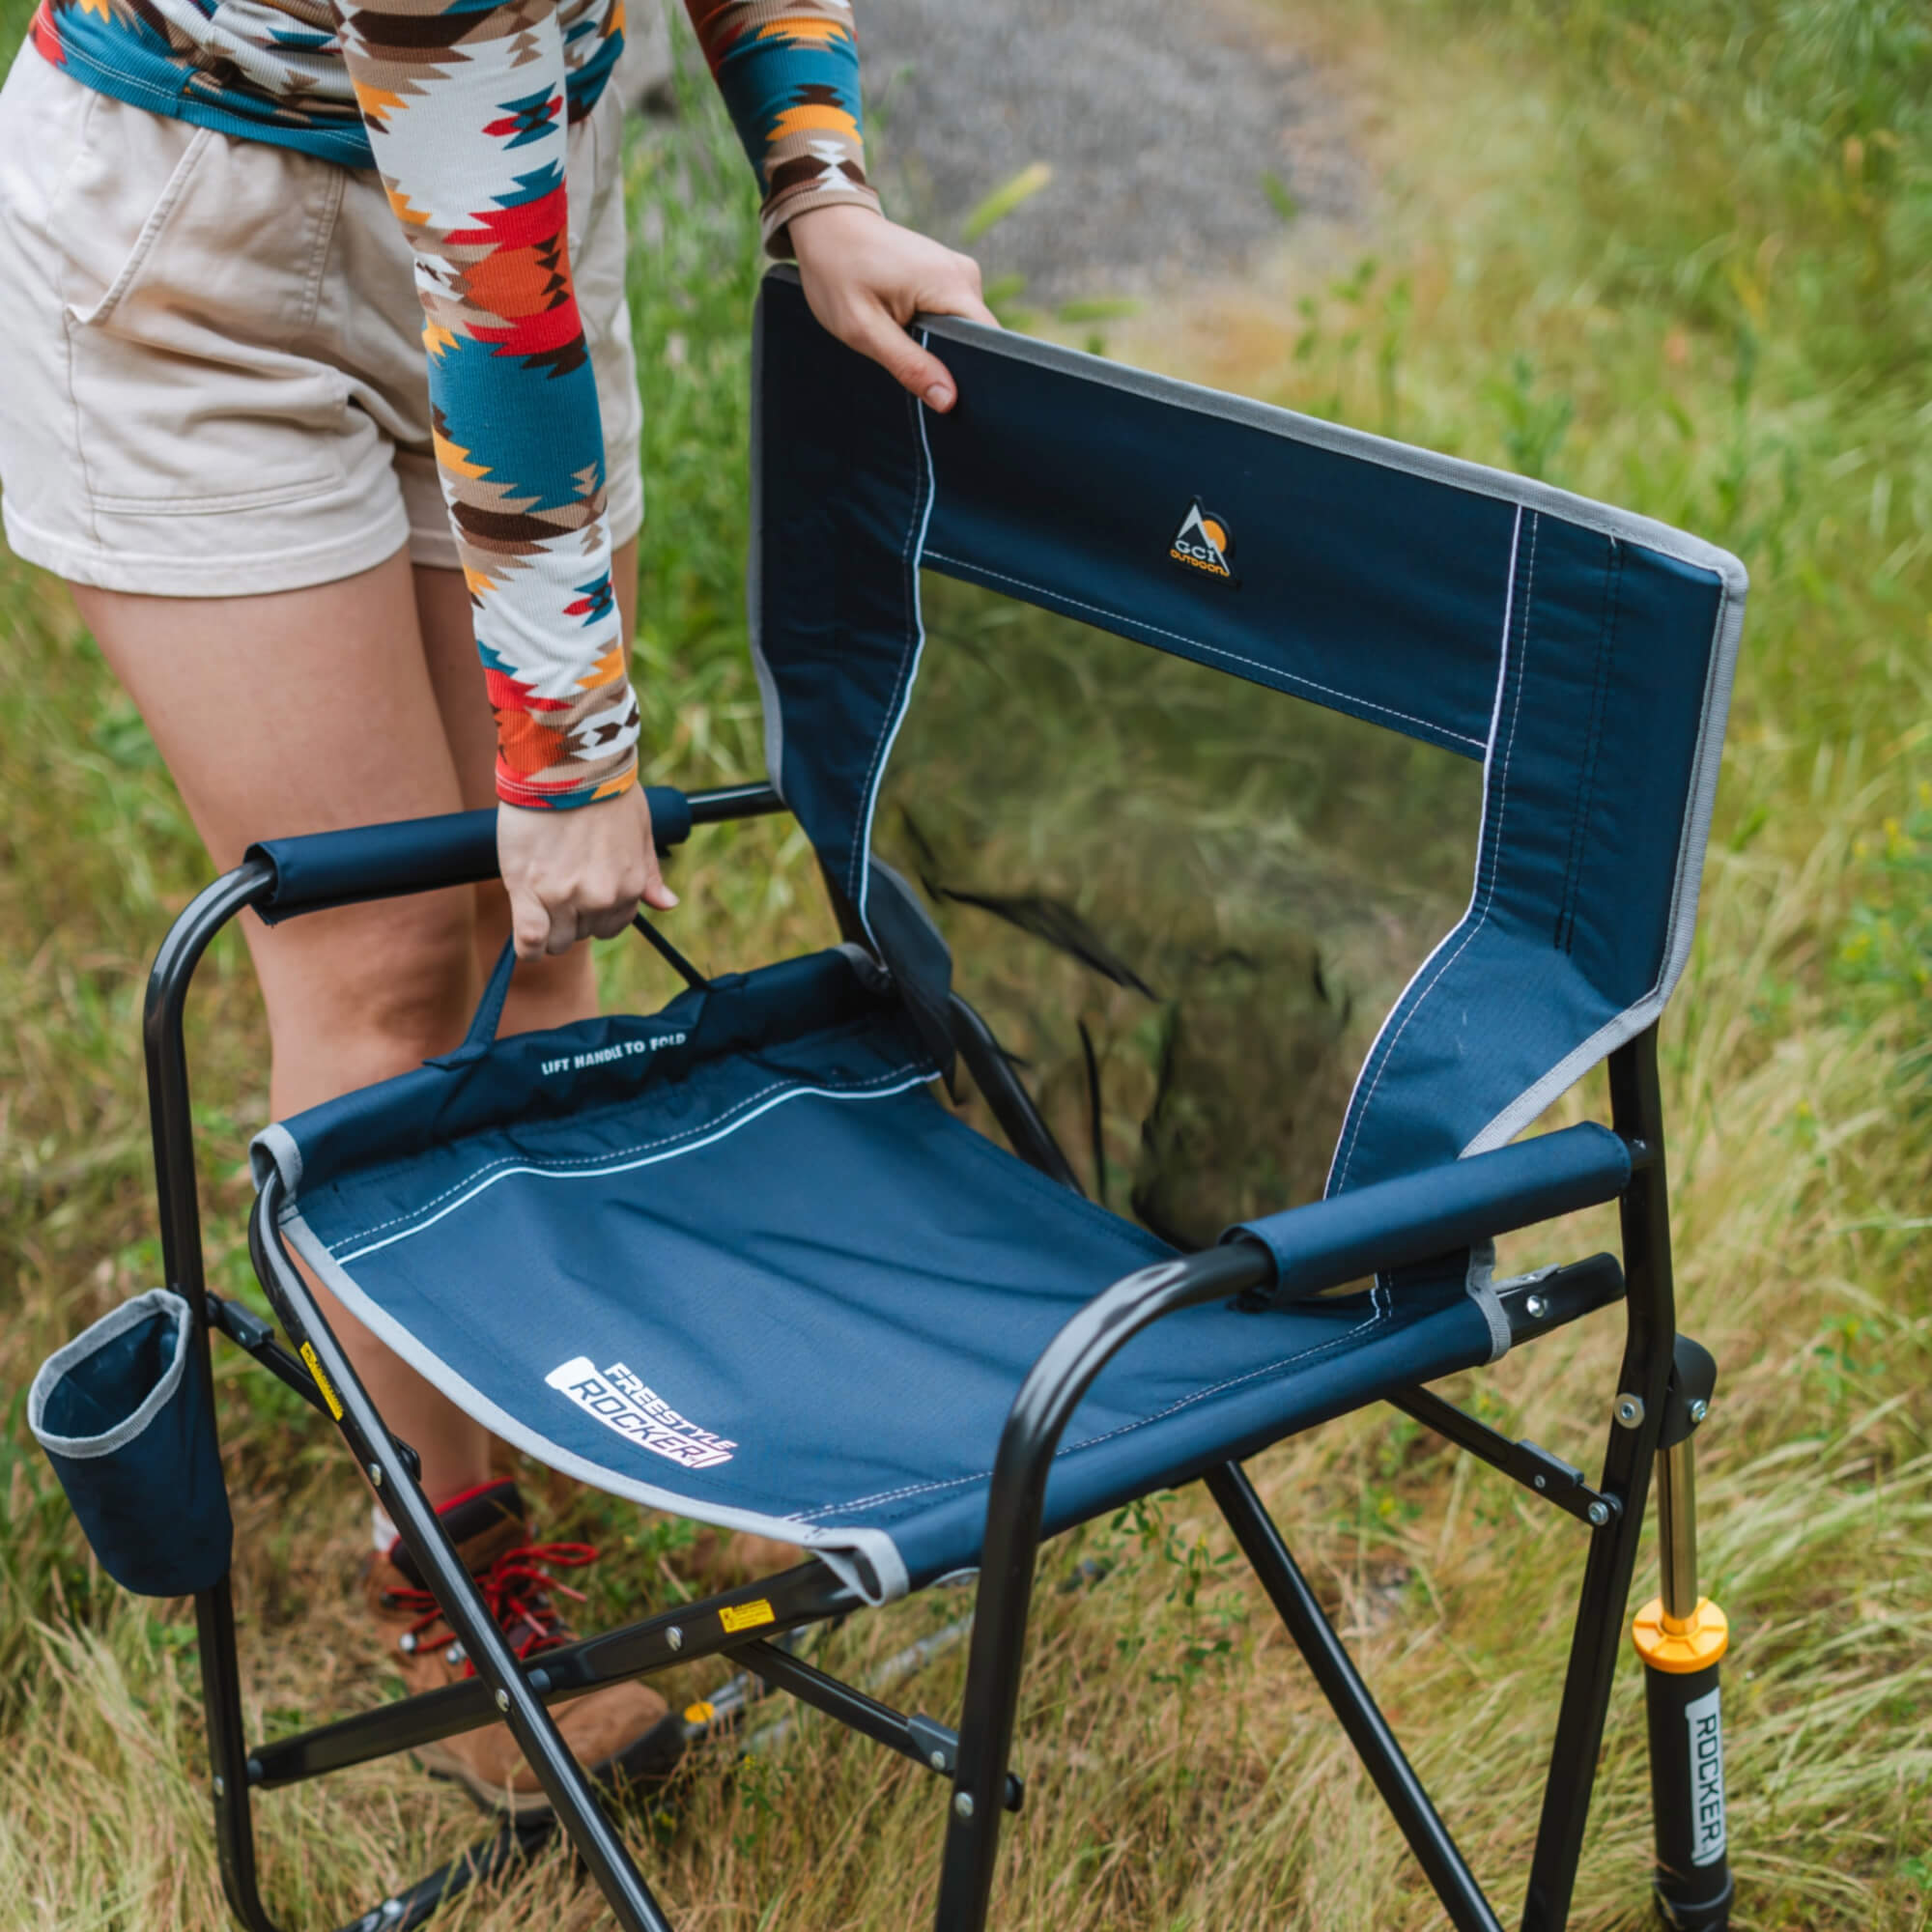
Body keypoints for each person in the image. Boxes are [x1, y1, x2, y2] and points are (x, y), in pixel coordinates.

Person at [0, 0, 991, 1810]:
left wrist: (817, 175)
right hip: (203, 250)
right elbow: (475, 214)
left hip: (520, 179)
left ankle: (593, 1420)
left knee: (544, 954)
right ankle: (450, 1565)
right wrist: (571, 755)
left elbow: (508, 220)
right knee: (382, 958)